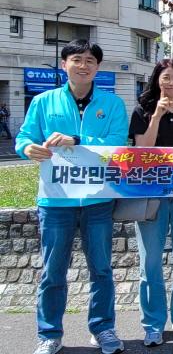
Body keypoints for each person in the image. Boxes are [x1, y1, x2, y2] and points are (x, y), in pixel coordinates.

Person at [15, 40, 128, 354]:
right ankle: (49, 334)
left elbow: (118, 144)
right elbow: (24, 136)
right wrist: (26, 148)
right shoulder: (43, 101)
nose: (84, 65)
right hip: (56, 201)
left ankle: (103, 329)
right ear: (64, 64)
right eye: (77, 59)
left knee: (102, 269)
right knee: (53, 271)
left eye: (90, 60)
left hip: (98, 201)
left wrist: (76, 140)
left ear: (98, 67)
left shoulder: (113, 104)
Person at [128, 59, 173, 346]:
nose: (171, 83)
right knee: (151, 261)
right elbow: (142, 149)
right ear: (157, 80)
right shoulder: (142, 111)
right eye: (166, 77)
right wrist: (156, 116)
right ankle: (153, 323)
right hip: (150, 194)